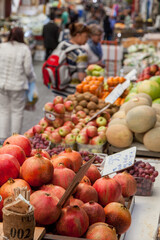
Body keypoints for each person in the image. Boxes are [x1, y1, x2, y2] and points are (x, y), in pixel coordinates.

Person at [0, 27, 36, 142]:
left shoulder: (2, 47)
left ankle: (2, 138)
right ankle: (15, 140)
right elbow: (28, 70)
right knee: (17, 112)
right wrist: (32, 80)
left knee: (3, 110)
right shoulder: (24, 49)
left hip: (2, 85)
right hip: (17, 86)